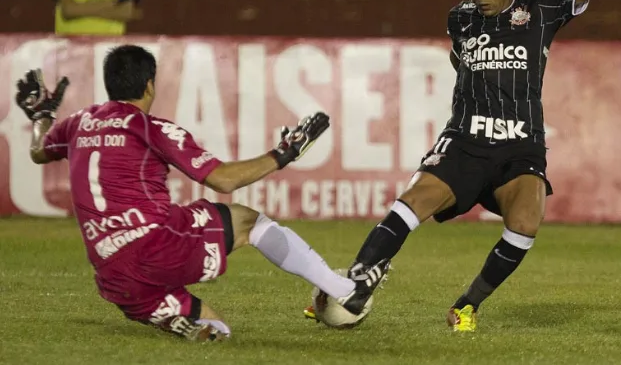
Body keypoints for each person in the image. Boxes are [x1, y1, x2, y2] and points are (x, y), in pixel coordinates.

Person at [305, 0, 621, 331]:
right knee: (413, 202)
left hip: (519, 144)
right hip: (466, 141)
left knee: (526, 221)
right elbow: (459, 59)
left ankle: (467, 305)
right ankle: (352, 283)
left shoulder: (542, 6)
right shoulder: (461, 19)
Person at [15, 45, 388, 342]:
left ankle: (177, 322)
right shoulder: (150, 127)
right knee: (246, 221)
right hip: (154, 246)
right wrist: (285, 153)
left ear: (111, 84)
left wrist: (40, 117)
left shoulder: (80, 122)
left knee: (216, 330)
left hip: (112, 274)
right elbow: (223, 180)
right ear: (149, 85)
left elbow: (38, 151)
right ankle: (345, 291)